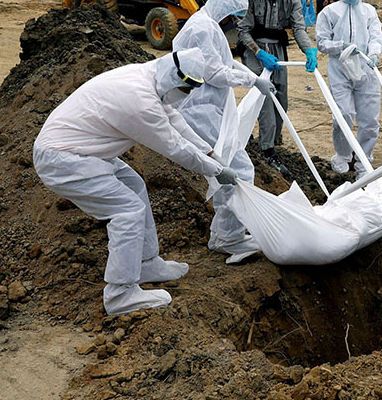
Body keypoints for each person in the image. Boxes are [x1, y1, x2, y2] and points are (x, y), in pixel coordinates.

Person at [33, 48, 238, 315]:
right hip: (63, 159)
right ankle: (120, 293)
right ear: (175, 78)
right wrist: (213, 169)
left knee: (134, 186)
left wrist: (210, 152)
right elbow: (173, 146)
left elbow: (174, 119)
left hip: (85, 152)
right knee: (127, 210)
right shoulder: (139, 100)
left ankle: (146, 263)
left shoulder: (151, 77)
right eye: (186, 89)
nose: (186, 96)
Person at [171, 0, 274, 261]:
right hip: (199, 110)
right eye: (234, 15)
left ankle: (228, 233)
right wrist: (253, 81)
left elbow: (222, 61)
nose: (234, 22)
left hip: (206, 108)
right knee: (237, 169)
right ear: (224, 9)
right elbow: (215, 73)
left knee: (230, 167)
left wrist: (250, 73)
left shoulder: (206, 25)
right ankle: (227, 237)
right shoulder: (203, 29)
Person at [238, 0, 317, 176]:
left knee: (281, 98)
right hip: (256, 49)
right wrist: (258, 52)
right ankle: (267, 149)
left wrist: (308, 50)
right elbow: (243, 31)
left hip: (278, 50)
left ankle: (274, 136)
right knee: (265, 95)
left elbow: (299, 28)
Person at [315, 0, 382, 179]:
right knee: (343, 114)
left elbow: (376, 36)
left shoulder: (369, 12)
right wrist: (340, 46)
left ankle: (364, 159)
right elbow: (322, 42)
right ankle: (343, 155)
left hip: (365, 69)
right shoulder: (330, 12)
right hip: (340, 69)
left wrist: (374, 54)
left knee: (370, 119)